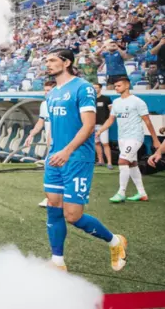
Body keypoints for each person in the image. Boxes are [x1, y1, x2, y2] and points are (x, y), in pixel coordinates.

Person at [42, 49, 126, 273]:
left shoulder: (83, 87)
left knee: (72, 215)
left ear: (67, 62)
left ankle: (115, 241)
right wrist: (52, 152)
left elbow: (89, 126)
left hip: (77, 158)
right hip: (55, 157)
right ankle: (57, 261)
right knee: (53, 205)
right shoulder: (52, 93)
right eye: (46, 60)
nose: (47, 64)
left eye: (52, 60)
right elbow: (54, 128)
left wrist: (67, 151)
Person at [96, 77, 160, 203]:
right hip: (122, 138)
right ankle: (142, 193)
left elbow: (147, 121)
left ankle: (121, 193)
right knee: (132, 164)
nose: (116, 88)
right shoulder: (116, 102)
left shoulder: (138, 102)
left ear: (127, 85)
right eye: (115, 86)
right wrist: (99, 131)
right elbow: (110, 120)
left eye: (118, 85)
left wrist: (155, 139)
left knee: (123, 161)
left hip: (135, 137)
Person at [24, 80, 56, 208]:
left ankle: (54, 199)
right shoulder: (44, 104)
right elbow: (41, 122)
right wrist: (31, 135)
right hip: (51, 145)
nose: (46, 93)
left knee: (54, 171)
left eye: (49, 90)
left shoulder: (61, 104)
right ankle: (51, 198)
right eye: (45, 90)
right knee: (50, 171)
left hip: (60, 144)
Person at [94, 83, 113, 169]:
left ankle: (109, 162)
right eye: (93, 88)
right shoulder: (90, 99)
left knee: (105, 143)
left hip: (103, 125)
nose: (95, 89)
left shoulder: (106, 99)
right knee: (96, 143)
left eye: (96, 88)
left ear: (100, 88)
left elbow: (111, 111)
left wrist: (108, 121)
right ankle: (100, 161)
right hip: (93, 125)